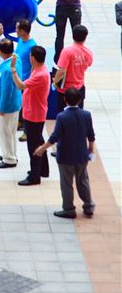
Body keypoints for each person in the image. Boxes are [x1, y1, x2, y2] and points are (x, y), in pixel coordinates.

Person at [34, 87, 95, 219]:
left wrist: (42, 148)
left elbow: (55, 137)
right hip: (82, 155)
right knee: (83, 180)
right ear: (79, 100)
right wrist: (91, 150)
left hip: (66, 156)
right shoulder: (86, 114)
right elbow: (91, 135)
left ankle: (68, 209)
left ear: (64, 99)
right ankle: (89, 205)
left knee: (66, 183)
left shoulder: (62, 117)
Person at [10, 46, 50, 186]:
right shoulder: (39, 69)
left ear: (33, 58)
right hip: (33, 111)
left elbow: (21, 85)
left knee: (33, 146)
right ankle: (43, 170)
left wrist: (13, 69)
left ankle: (34, 176)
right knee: (39, 140)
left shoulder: (40, 74)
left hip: (34, 114)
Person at [0, 38, 22, 169]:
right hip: (15, 103)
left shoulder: (6, 70)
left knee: (4, 132)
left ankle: (9, 159)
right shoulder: (16, 59)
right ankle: (10, 153)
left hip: (7, 107)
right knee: (11, 131)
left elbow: (7, 91)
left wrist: (1, 108)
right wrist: (2, 36)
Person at [53, 23, 93, 110]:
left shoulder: (67, 52)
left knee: (63, 116)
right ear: (85, 37)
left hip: (66, 90)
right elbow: (89, 64)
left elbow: (62, 70)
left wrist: (55, 82)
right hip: (80, 87)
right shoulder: (88, 53)